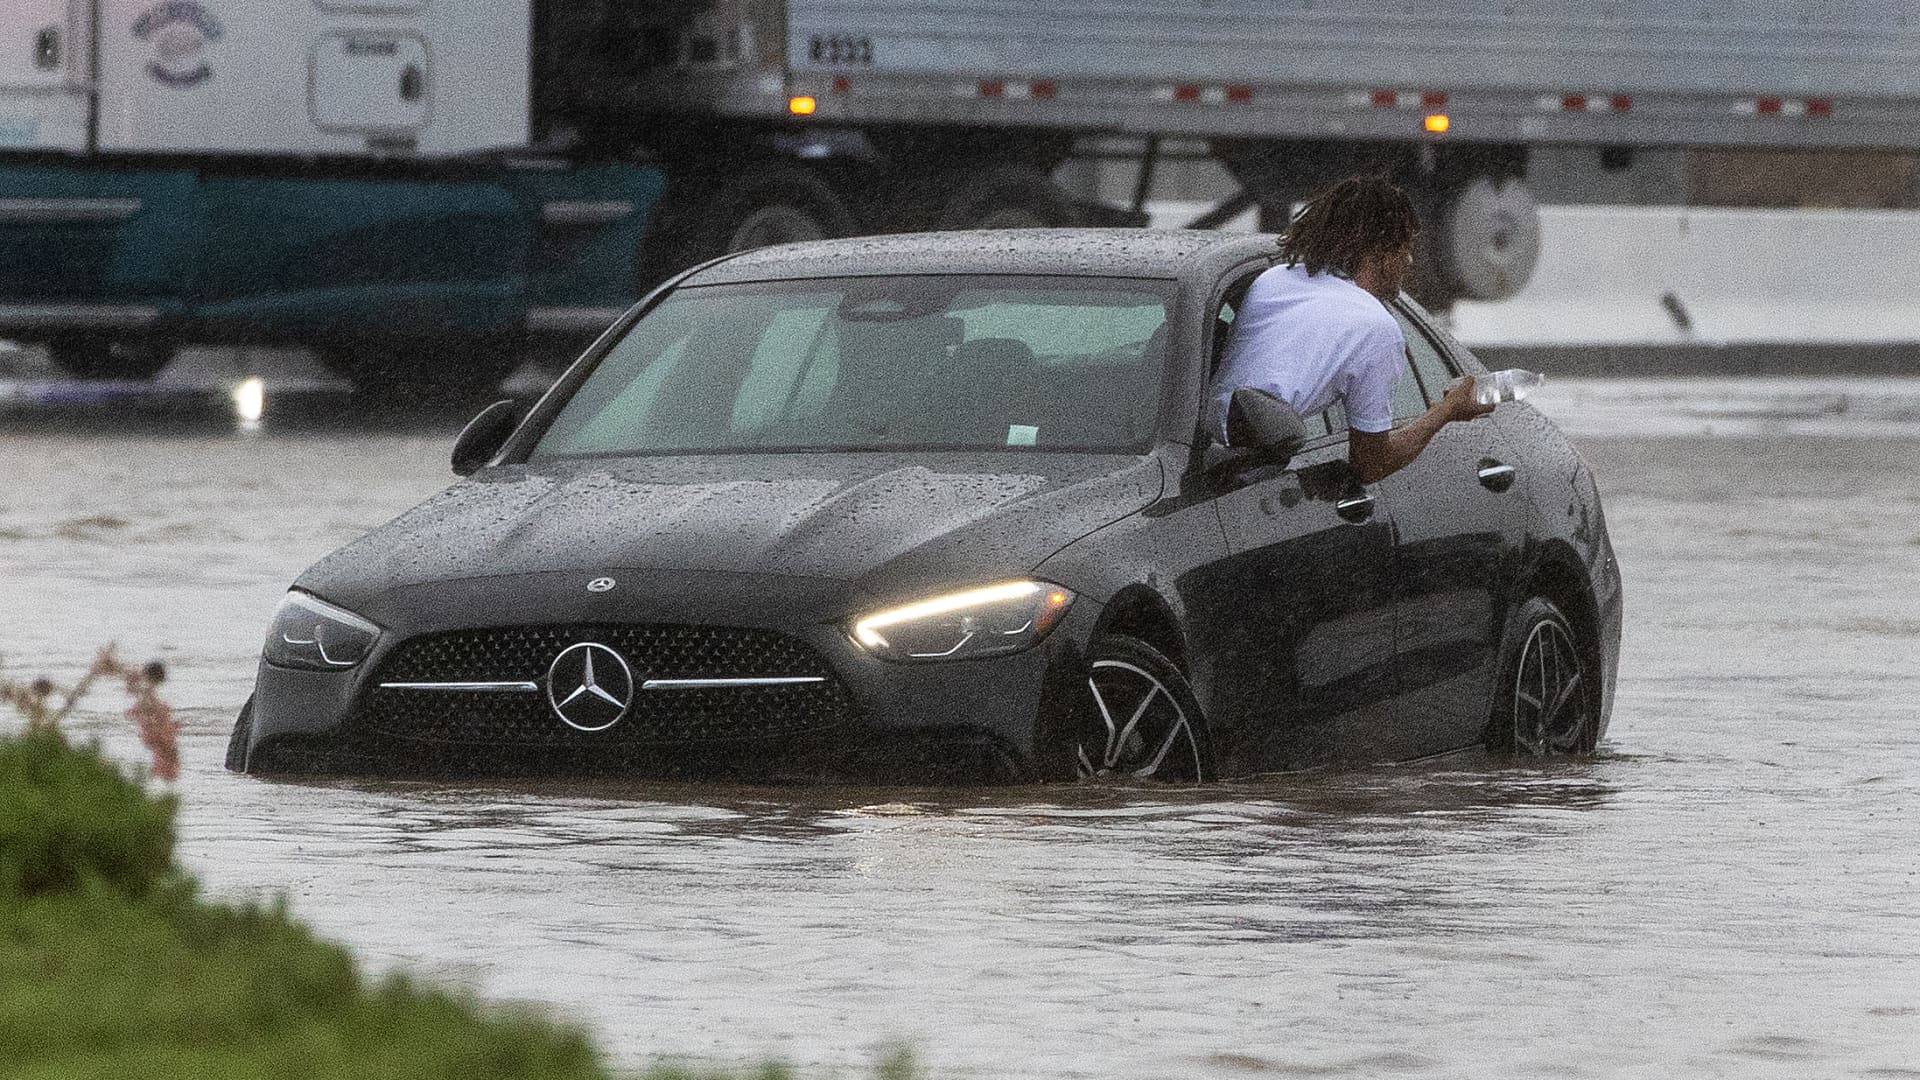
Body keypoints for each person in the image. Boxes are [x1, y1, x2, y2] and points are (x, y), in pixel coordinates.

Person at [1207, 175, 1493, 484]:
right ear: (1379, 252)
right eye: (1405, 247)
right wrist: (1446, 411)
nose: (1409, 261)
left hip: (1203, 450)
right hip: (1240, 468)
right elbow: (1371, 465)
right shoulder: (1376, 328)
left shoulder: (1274, 279)